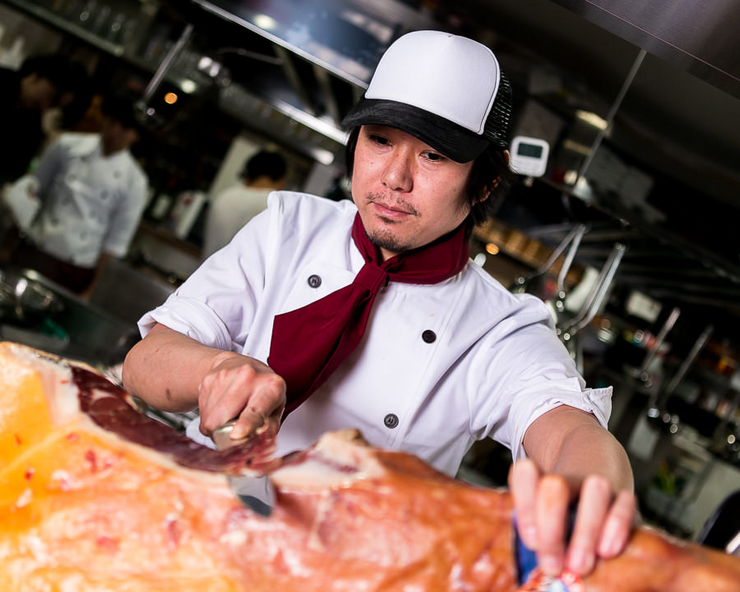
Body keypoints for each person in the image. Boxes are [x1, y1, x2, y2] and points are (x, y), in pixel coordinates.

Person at [122, 30, 636, 579]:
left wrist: (586, 496)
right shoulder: (287, 230)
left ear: (484, 180)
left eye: (433, 155)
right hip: (189, 542)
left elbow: (570, 431)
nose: (394, 178)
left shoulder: (499, 329)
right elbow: (143, 364)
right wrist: (217, 369)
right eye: (380, 140)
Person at [6, 91, 149, 294]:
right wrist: (7, 245)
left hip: (75, 267)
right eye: (112, 122)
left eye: (124, 128)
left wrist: (90, 290)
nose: (115, 131)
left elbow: (115, 242)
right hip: (35, 247)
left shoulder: (136, 181)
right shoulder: (66, 145)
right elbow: (30, 192)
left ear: (135, 136)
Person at [0, 54, 90, 186]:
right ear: (37, 75)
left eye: (54, 105)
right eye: (50, 96)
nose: (45, 105)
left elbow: (12, 174)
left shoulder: (32, 127)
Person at [202, 150, 287, 259]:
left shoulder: (225, 196)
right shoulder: (275, 206)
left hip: (207, 270)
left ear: (249, 173)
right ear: (281, 180)